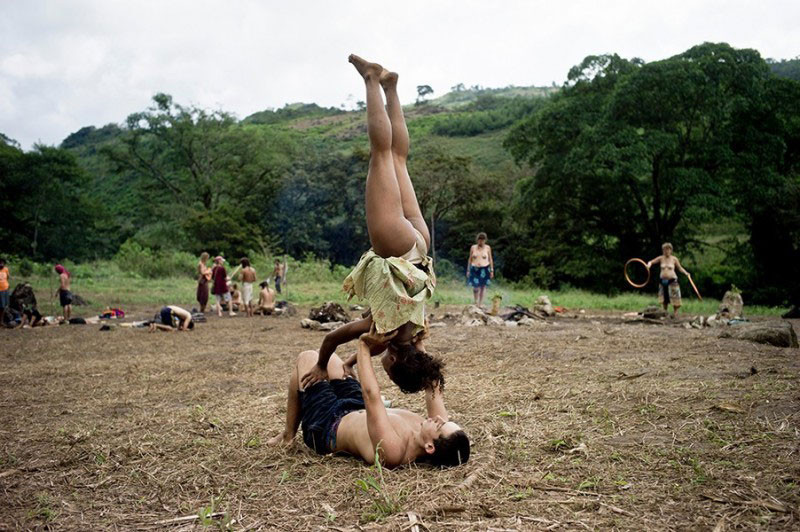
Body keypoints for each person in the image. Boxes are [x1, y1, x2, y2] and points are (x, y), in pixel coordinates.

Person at [301, 55, 441, 394]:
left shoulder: (415, 332)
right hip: (396, 247)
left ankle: (391, 88)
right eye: (389, 372)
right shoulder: (385, 329)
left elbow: (380, 347)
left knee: (398, 159)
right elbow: (333, 337)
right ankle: (371, 78)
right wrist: (322, 364)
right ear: (394, 361)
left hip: (419, 246)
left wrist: (351, 362)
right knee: (381, 154)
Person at [268, 333, 470, 468]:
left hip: (327, 424)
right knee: (326, 359)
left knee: (307, 358)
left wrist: (364, 345)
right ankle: (288, 432)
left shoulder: (393, 451)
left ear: (430, 447)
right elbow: (433, 384)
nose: (439, 419)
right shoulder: (431, 430)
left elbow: (371, 395)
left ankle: (288, 436)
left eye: (441, 425)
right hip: (356, 405)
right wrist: (418, 341)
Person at [647, 243, 691, 318]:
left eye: (668, 249)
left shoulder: (674, 259)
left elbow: (680, 268)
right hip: (663, 281)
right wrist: (648, 265)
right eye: (664, 250)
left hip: (672, 280)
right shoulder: (660, 258)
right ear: (663, 250)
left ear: (671, 250)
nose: (666, 251)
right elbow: (651, 262)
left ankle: (675, 313)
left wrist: (686, 273)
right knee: (664, 298)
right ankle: (665, 313)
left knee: (675, 298)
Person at [466, 232, 494, 307]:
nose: (481, 241)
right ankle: (475, 301)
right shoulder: (473, 247)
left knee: (483, 286)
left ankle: (480, 303)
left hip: (484, 268)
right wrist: (468, 270)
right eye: (479, 239)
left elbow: (490, 259)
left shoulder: (488, 248)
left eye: (482, 240)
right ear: (477, 240)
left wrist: (492, 270)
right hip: (474, 268)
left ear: (485, 240)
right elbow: (470, 259)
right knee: (475, 287)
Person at [0, 258, 9, 326]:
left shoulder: (6, 269)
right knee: (1, 306)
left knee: (4, 306)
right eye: (0, 263)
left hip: (5, 289)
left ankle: (2, 321)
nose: (1, 264)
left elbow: (7, 277)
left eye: (2, 263)